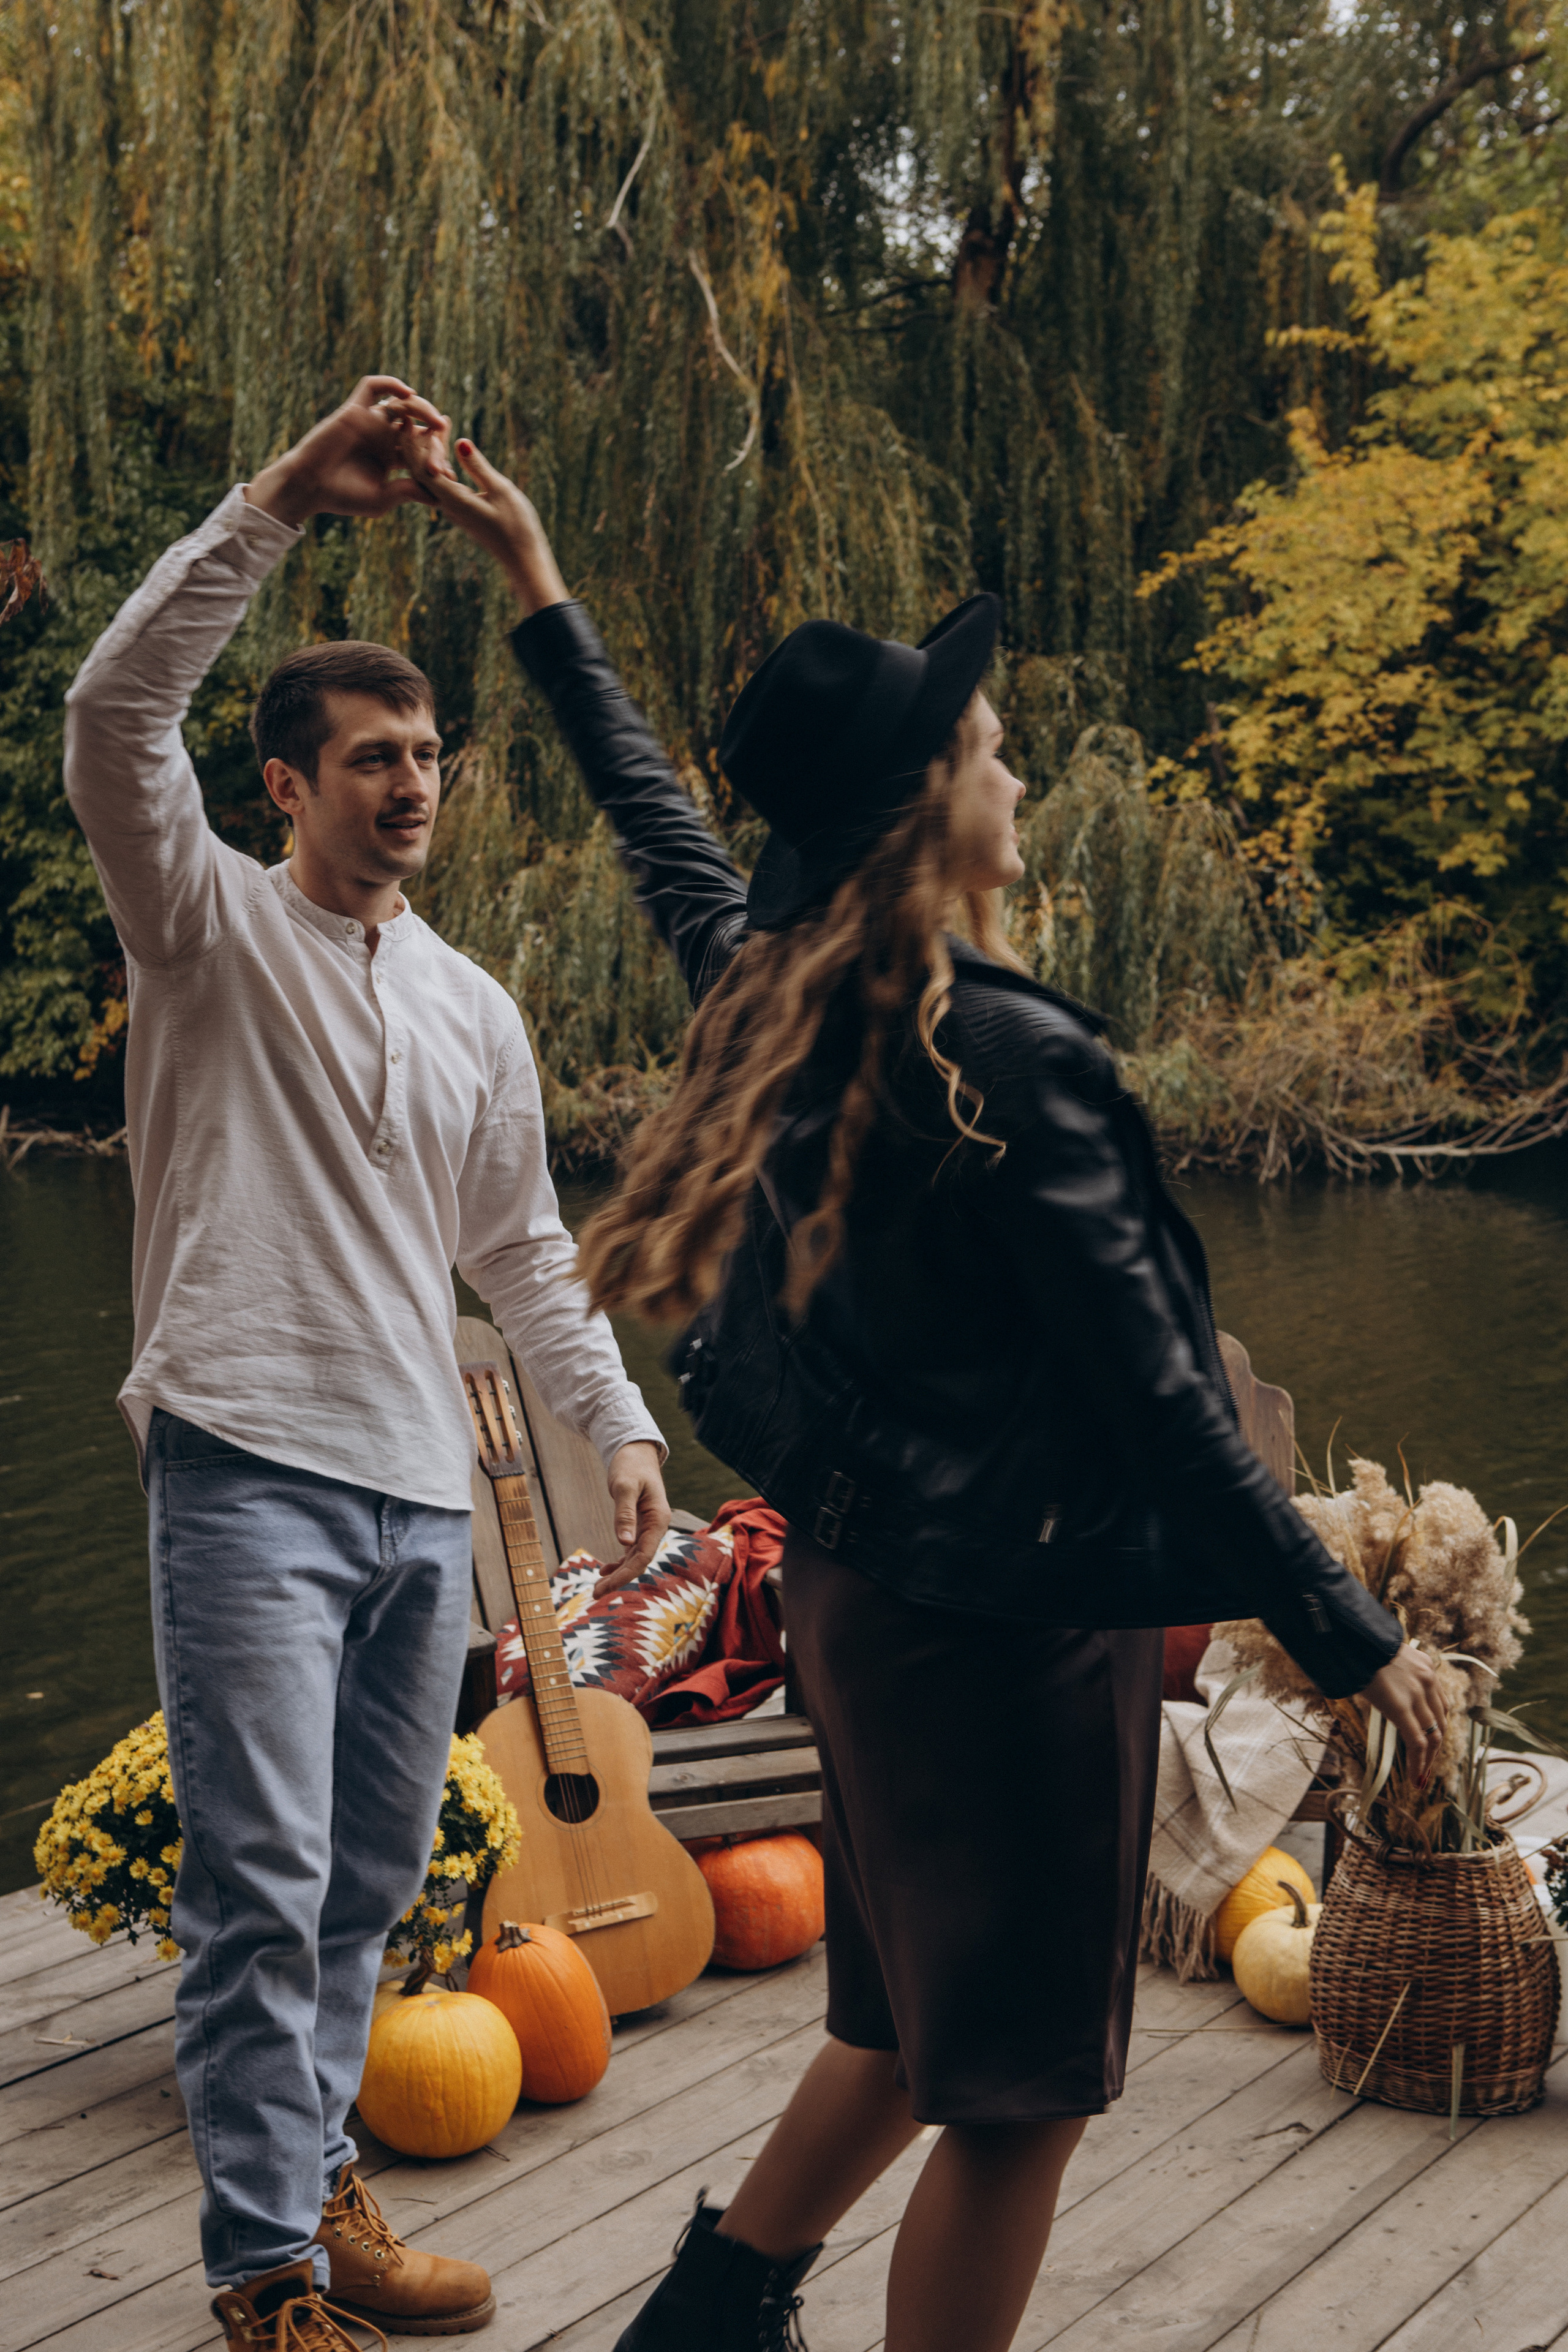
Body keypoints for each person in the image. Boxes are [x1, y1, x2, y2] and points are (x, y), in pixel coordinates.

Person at [394, 417, 1447, 2352]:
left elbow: (659, 827)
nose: (1013, 763)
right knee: (1018, 2102)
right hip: (1013, 1644)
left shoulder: (769, 1001)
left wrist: (544, 594)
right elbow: (1167, 1404)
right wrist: (1354, 1636)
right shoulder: (1012, 1065)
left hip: (867, 1615)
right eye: (984, 746)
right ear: (923, 813)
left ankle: (698, 2329)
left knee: (893, 2027)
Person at [62, 379, 671, 2350]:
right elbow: (110, 718)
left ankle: (318, 2191)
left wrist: (613, 1415)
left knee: (377, 1885)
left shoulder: (473, 1004)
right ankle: (259, 2279)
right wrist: (269, 510)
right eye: (372, 760)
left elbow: (511, 1248)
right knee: (257, 1885)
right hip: (248, 1456)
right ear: (284, 789)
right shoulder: (202, 931)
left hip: (428, 1488)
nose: (411, 785)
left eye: (429, 756)